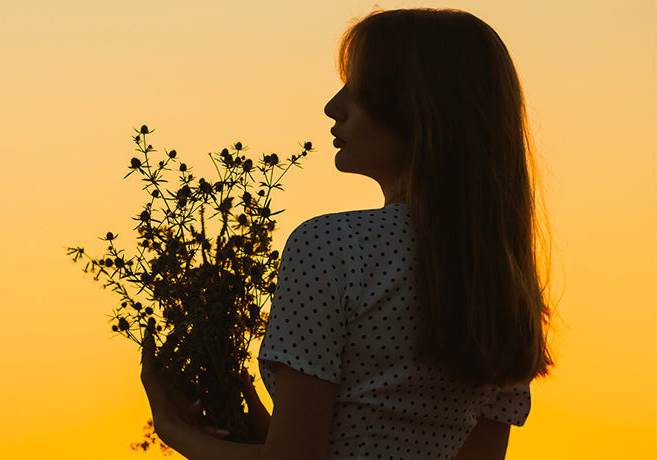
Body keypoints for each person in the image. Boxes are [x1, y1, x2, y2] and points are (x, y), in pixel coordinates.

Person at [141, 7, 557, 459]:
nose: (333, 107)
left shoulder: (334, 246)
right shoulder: (501, 284)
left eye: (358, 89)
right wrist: (252, 420)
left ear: (418, 108)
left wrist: (174, 429)